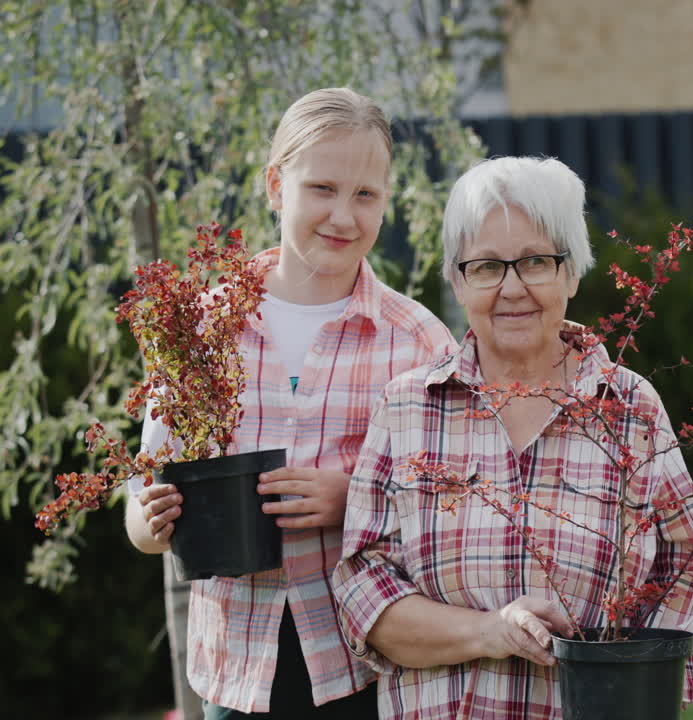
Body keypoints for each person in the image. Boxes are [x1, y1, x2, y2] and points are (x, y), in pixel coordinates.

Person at [332, 156, 693, 718]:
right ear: (458, 281)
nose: (512, 288)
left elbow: (688, 564)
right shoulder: (408, 408)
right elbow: (364, 595)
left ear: (573, 271)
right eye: (486, 266)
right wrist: (494, 632)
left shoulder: (631, 410)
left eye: (536, 261)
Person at [124, 87, 457, 718]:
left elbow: (449, 506)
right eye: (322, 189)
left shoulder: (416, 341)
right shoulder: (202, 330)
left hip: (368, 662)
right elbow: (146, 504)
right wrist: (152, 522)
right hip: (235, 669)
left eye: (366, 195)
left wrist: (350, 499)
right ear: (277, 185)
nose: (344, 216)